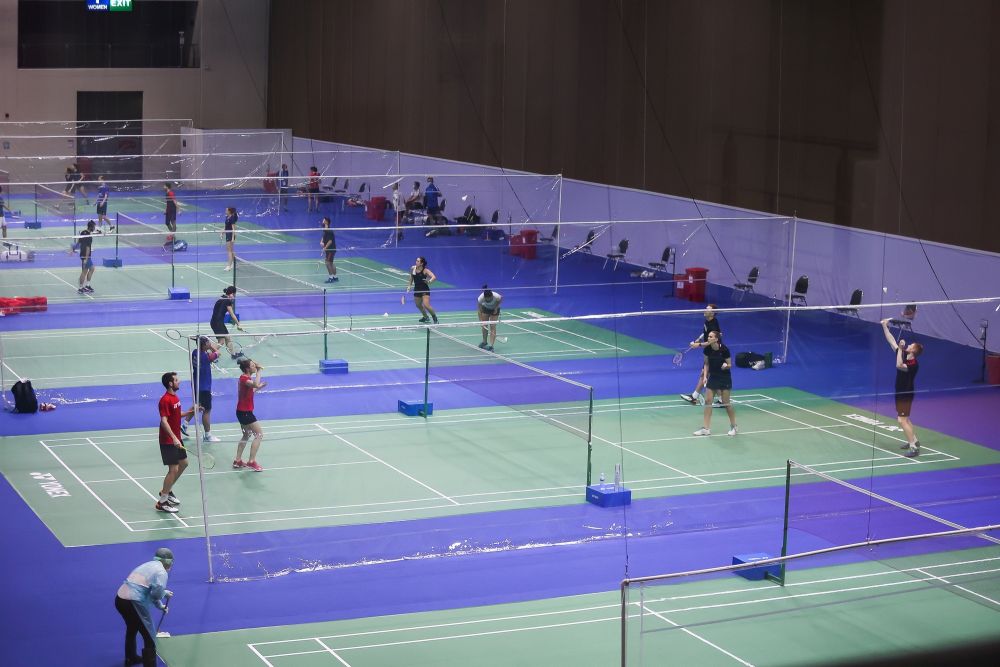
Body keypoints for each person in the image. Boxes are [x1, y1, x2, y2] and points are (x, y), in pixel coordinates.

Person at [114, 547, 175, 667]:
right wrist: (164, 593)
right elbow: (156, 594)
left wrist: (161, 605)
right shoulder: (162, 572)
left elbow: (149, 591)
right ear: (167, 562)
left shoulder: (148, 565)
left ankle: (130, 658)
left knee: (132, 628)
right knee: (149, 636)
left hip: (120, 599)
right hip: (133, 602)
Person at [881, 318, 924, 457]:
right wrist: (884, 327)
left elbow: (899, 365)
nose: (909, 345)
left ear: (913, 351)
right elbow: (891, 341)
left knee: (901, 420)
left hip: (906, 393)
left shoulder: (913, 364)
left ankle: (913, 447)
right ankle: (915, 441)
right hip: (900, 392)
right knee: (906, 419)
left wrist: (900, 348)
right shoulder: (904, 353)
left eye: (911, 345)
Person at [157, 372, 194, 513]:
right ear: (170, 383)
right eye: (176, 380)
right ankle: (162, 502)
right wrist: (173, 438)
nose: (179, 382)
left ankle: (166, 490)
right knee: (173, 469)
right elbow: (163, 421)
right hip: (168, 440)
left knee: (184, 464)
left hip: (176, 438)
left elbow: (177, 415)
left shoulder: (175, 398)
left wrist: (192, 411)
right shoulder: (165, 400)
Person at [692, 331, 738, 437]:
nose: (708, 338)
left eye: (711, 337)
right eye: (708, 336)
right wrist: (704, 377)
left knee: (726, 403)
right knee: (708, 401)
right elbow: (706, 364)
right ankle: (706, 428)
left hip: (724, 377)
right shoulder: (707, 349)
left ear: (716, 339)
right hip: (713, 377)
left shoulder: (724, 350)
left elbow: (730, 364)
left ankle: (734, 426)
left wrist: (725, 366)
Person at [182, 337, 222, 443]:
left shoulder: (195, 352)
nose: (210, 343)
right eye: (208, 342)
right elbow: (218, 353)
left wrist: (205, 345)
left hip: (196, 384)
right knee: (207, 410)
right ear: (204, 345)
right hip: (204, 387)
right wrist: (211, 347)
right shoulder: (205, 357)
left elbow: (209, 352)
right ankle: (208, 435)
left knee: (197, 405)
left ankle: (184, 425)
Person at [680, 304, 722, 406]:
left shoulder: (713, 324)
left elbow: (711, 342)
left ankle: (721, 399)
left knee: (708, 376)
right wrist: (699, 337)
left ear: (712, 313)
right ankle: (695, 397)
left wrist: (697, 345)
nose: (705, 310)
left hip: (715, 353)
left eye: (707, 309)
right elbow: (706, 332)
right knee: (705, 374)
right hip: (710, 352)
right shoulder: (708, 321)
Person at [234, 358, 266, 472]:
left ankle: (237, 460)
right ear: (248, 368)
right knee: (259, 434)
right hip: (245, 413)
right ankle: (251, 461)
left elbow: (251, 390)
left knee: (246, 435)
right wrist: (259, 371)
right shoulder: (244, 378)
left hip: (242, 412)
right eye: (252, 365)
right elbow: (255, 384)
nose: (254, 366)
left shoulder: (245, 379)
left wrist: (259, 387)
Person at [211, 286, 243, 359]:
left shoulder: (222, 297)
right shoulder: (227, 301)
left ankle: (233, 354)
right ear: (232, 293)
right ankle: (210, 355)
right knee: (221, 342)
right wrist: (238, 324)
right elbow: (232, 314)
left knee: (227, 338)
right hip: (217, 323)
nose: (234, 296)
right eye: (234, 294)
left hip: (215, 322)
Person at [406, 256, 438, 324]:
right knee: (418, 305)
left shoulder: (425, 270)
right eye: (416, 260)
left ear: (421, 263)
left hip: (424, 289)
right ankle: (426, 317)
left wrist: (429, 282)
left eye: (418, 261)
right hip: (417, 289)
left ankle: (435, 318)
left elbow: (434, 277)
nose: (416, 262)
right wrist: (409, 286)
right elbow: (411, 277)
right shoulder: (413, 268)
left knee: (426, 305)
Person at [477, 284, 503, 351]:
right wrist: (481, 322)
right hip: (485, 309)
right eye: (487, 300)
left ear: (492, 296)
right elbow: (479, 310)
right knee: (484, 325)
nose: (489, 300)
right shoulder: (480, 298)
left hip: (494, 309)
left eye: (490, 299)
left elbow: (500, 299)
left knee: (492, 326)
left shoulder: (496, 296)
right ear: (485, 298)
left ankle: (491, 346)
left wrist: (496, 308)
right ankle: (484, 342)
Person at [76, 220, 98, 294]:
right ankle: (81, 288)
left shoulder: (83, 232)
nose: (95, 228)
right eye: (94, 226)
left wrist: (73, 249)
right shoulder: (89, 236)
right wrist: (86, 258)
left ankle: (87, 286)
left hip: (82, 254)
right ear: (91, 227)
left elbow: (78, 242)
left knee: (91, 268)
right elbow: (88, 248)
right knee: (84, 272)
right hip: (86, 255)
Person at [320, 216, 338, 282]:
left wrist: (325, 248)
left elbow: (330, 241)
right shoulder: (325, 230)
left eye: (323, 220)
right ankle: (335, 277)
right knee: (331, 263)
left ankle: (331, 278)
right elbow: (324, 236)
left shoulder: (329, 231)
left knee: (327, 263)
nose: (322, 221)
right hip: (329, 249)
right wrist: (321, 241)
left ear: (326, 222)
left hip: (331, 249)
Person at [222, 207, 237, 272]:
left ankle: (229, 266)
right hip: (228, 234)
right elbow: (226, 227)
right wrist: (222, 233)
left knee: (229, 251)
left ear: (229, 211)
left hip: (231, 235)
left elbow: (234, 229)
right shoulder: (227, 217)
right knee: (231, 250)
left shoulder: (232, 218)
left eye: (226, 210)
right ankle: (235, 263)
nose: (225, 211)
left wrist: (233, 238)